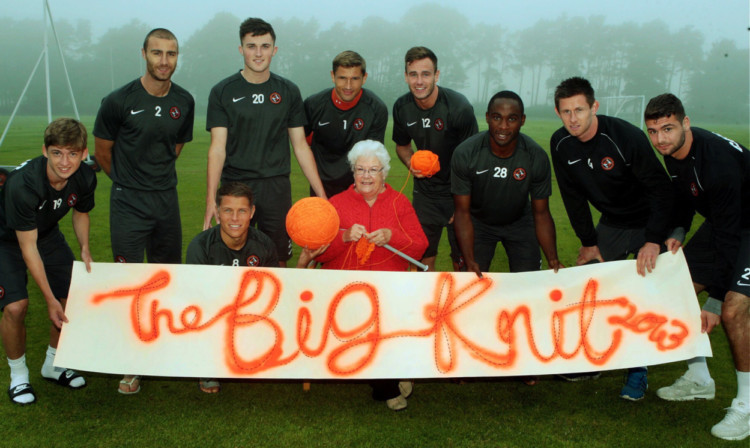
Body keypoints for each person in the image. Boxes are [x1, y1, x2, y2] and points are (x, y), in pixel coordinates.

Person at [550, 77, 673, 401]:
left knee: (646, 295)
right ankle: (594, 357)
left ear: (594, 107)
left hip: (650, 220)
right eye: (566, 111)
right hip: (613, 224)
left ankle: (638, 371)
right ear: (558, 112)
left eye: (579, 109)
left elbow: (660, 189)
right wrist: (589, 241)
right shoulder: (560, 143)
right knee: (596, 288)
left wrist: (654, 239)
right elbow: (572, 197)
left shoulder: (623, 137)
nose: (573, 118)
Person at [94, 28, 195, 394]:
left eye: (171, 53)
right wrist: (127, 182)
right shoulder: (118, 100)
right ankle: (131, 361)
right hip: (128, 202)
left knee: (165, 275)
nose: (164, 61)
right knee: (130, 281)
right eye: (157, 53)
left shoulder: (184, 100)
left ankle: (161, 345)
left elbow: (175, 147)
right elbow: (103, 151)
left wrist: (154, 179)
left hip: (166, 200)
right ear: (144, 54)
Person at [644, 93, 749, 441]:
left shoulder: (717, 164)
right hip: (726, 222)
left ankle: (747, 406)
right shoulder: (674, 151)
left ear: (685, 123)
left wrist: (716, 301)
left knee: (734, 310)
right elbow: (684, 195)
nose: (660, 138)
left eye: (668, 129)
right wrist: (678, 231)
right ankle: (699, 379)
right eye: (653, 131)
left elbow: (730, 240)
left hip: (741, 226)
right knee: (676, 289)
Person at [303, 139, 428, 410]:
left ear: (385, 172)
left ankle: (390, 379)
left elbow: (420, 247)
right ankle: (388, 386)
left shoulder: (399, 202)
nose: (366, 176)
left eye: (373, 170)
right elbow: (320, 254)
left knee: (386, 318)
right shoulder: (336, 203)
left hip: (389, 289)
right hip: (345, 289)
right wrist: (345, 236)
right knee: (363, 319)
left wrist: (392, 237)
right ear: (353, 172)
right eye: (360, 169)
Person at [205, 17, 327, 267]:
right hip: (235, 186)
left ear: (275, 50)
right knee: (231, 257)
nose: (258, 53)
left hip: (276, 187)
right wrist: (210, 200)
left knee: (278, 259)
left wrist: (322, 195)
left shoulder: (288, 91)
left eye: (265, 46)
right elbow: (217, 149)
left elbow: (301, 146)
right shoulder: (223, 91)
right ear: (241, 49)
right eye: (251, 46)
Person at [0, 118, 96, 405]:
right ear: (44, 151)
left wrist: (85, 247)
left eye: (72, 153)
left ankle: (53, 365)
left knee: (72, 296)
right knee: (16, 307)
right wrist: (48, 298)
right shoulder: (24, 185)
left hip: (47, 235)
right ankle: (18, 376)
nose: (65, 162)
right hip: (7, 239)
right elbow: (27, 247)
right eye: (57, 152)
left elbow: (80, 211)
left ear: (83, 152)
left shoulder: (85, 176)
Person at [452, 91, 562, 279]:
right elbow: (462, 212)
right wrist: (469, 260)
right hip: (478, 222)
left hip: (520, 222)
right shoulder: (466, 153)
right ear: (487, 118)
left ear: (522, 120)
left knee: (529, 282)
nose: (503, 127)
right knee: (471, 281)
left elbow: (541, 213)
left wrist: (553, 258)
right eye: (497, 118)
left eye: (512, 119)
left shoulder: (536, 156)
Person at [187, 182, 278, 394]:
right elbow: (195, 297)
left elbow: (275, 293)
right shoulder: (201, 246)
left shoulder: (264, 245)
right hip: (214, 314)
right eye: (228, 211)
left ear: (252, 213)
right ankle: (208, 368)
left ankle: (253, 354)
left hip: (251, 314)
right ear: (218, 212)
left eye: (242, 211)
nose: (235, 218)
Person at [392, 46, 478, 272]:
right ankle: (422, 306)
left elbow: (474, 160)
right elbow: (402, 147)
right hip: (425, 195)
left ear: (437, 75)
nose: (419, 81)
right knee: (421, 259)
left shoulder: (459, 107)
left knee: (463, 260)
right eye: (413, 74)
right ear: (406, 77)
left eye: (426, 74)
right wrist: (412, 163)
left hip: (457, 193)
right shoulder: (401, 107)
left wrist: (460, 203)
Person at [304, 50, 388, 198]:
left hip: (358, 190)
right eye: (342, 78)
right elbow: (302, 146)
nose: (348, 85)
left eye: (355, 78)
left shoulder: (376, 108)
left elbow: (372, 158)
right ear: (332, 76)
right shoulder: (313, 105)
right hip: (321, 189)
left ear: (364, 78)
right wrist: (319, 191)